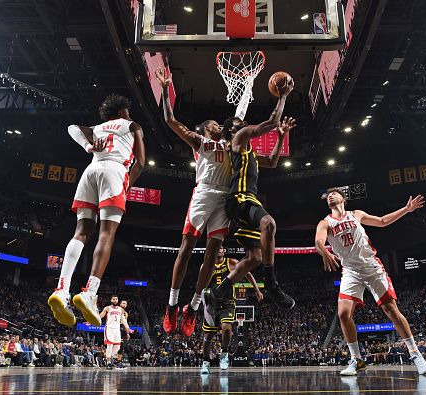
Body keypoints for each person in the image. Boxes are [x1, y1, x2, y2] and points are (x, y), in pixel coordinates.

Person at [48, 94, 145, 326]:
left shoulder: (98, 127)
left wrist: (88, 146)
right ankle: (90, 293)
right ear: (122, 112)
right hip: (115, 171)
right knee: (106, 233)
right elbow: (140, 162)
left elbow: (72, 127)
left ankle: (62, 290)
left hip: (91, 171)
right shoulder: (131, 125)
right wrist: (126, 184)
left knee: (81, 232)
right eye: (127, 111)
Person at [314, 188, 426, 376]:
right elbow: (319, 241)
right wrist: (324, 251)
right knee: (343, 314)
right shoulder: (325, 222)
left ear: (343, 198)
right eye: (328, 195)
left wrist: (406, 209)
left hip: (371, 266)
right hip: (350, 271)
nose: (330, 195)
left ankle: (415, 353)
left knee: (390, 309)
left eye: (334, 193)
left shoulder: (356, 214)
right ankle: (357, 359)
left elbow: (383, 221)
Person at [204, 83, 297, 315]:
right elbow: (272, 121)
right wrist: (283, 95)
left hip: (241, 203)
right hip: (240, 198)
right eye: (239, 123)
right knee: (269, 223)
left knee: (255, 257)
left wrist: (280, 137)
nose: (244, 124)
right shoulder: (239, 138)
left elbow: (273, 162)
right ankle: (272, 284)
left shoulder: (249, 151)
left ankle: (216, 293)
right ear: (233, 130)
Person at [155, 68, 233, 337]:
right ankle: (173, 305)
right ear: (204, 129)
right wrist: (165, 90)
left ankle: (193, 307)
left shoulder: (230, 143)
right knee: (186, 249)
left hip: (224, 197)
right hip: (203, 194)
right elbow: (169, 120)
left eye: (217, 124)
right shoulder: (199, 141)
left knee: (213, 254)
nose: (217, 125)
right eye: (213, 124)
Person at [200, 247, 263, 375]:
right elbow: (200, 285)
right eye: (217, 248)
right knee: (208, 337)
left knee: (227, 328)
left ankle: (224, 354)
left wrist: (257, 290)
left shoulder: (231, 262)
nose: (218, 250)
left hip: (227, 302)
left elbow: (248, 273)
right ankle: (205, 362)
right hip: (211, 304)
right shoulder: (206, 266)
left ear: (224, 251)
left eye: (221, 248)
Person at [100, 295, 133, 369]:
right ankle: (108, 362)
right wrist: (92, 321)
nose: (115, 300)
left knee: (118, 347)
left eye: (116, 299)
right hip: (109, 328)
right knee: (110, 345)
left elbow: (123, 320)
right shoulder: (107, 308)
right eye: (113, 299)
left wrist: (128, 328)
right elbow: (101, 315)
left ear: (117, 300)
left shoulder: (120, 310)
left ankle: (107, 357)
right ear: (111, 300)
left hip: (117, 329)